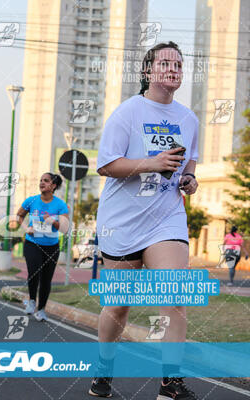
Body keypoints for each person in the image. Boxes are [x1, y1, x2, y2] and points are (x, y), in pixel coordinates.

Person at [90, 42, 200, 399]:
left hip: (166, 217)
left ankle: (170, 381)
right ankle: (104, 367)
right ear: (148, 72)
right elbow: (106, 165)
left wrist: (189, 180)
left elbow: (189, 165)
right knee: (119, 303)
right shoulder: (128, 113)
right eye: (165, 63)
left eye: (179, 64)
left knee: (174, 295)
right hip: (122, 220)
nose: (173, 69)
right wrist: (152, 162)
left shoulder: (189, 119)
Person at [15, 172, 68, 322]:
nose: (42, 183)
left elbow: (64, 228)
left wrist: (51, 221)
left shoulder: (60, 205)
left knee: (46, 279)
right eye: (40, 180)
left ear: (53, 186)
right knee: (34, 271)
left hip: (51, 246)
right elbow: (19, 216)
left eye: (46, 181)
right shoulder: (31, 201)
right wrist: (27, 228)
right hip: (32, 243)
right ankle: (32, 301)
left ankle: (42, 310)